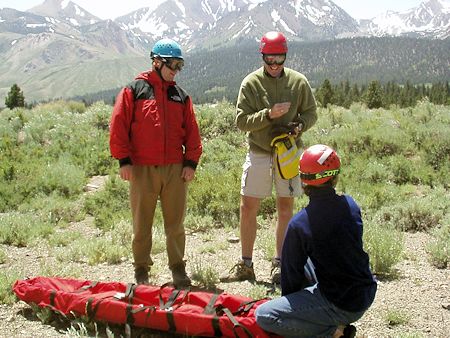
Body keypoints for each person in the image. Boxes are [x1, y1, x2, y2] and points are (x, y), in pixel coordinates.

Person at [221, 31, 317, 284]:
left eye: (279, 59)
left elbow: (311, 114)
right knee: (248, 207)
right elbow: (241, 122)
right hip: (260, 153)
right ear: (262, 56)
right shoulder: (250, 83)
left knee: (285, 208)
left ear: (285, 56)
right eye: (269, 60)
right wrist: (268, 115)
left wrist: (299, 126)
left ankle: (280, 264)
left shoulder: (299, 82)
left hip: (288, 154)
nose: (274, 65)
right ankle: (246, 263)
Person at [255, 144, 377, 337]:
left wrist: (291, 305)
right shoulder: (351, 204)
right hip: (366, 291)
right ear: (335, 178)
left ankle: (333, 331)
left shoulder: (300, 224)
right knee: (310, 260)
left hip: (342, 304)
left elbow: (290, 274)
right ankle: (324, 316)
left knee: (264, 315)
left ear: (303, 181)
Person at [109, 38, 202, 288]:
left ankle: (178, 269)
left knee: (176, 224)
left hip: (175, 169)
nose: (176, 70)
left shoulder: (180, 96)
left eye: (180, 65)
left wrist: (190, 162)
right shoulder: (134, 90)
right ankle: (141, 269)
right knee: (142, 223)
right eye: (173, 64)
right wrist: (124, 160)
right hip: (142, 168)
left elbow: (192, 131)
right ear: (157, 62)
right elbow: (118, 125)